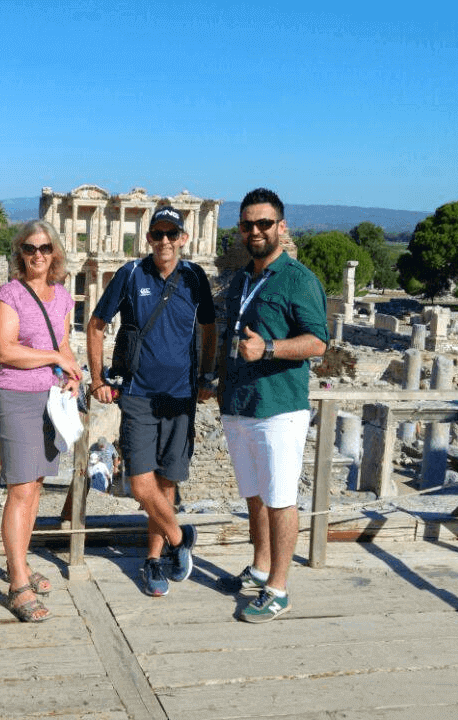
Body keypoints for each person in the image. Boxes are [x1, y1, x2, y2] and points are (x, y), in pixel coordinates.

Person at [86, 206, 216, 597]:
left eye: (171, 234)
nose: (164, 241)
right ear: (148, 239)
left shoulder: (194, 276)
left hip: (180, 396)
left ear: (183, 238)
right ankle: (180, 537)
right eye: (157, 234)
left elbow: (210, 328)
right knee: (142, 484)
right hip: (139, 395)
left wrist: (206, 375)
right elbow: (96, 325)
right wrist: (98, 379)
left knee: (166, 482)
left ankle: (155, 558)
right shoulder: (131, 274)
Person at [219, 188, 329, 623]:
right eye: (248, 224)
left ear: (281, 227)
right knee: (255, 495)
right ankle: (261, 567)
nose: (256, 231)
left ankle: (278, 589)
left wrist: (268, 348)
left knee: (281, 499)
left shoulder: (299, 279)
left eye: (264, 223)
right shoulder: (243, 278)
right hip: (239, 403)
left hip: (279, 406)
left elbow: (318, 342)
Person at [0, 220, 80, 622]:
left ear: (54, 252)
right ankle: (18, 584)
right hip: (16, 395)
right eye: (29, 248)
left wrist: (71, 373)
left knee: (36, 487)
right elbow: (4, 350)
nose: (37, 255)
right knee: (21, 488)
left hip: (50, 398)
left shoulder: (61, 295)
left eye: (44, 248)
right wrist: (55, 358)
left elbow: (63, 343)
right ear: (20, 253)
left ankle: (19, 563)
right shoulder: (9, 294)